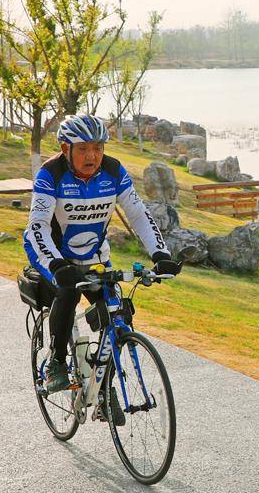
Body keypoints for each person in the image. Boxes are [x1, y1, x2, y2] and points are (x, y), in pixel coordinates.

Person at [24, 113, 181, 394]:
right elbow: (38, 227)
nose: (91, 156)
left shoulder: (113, 171)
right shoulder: (51, 175)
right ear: (65, 149)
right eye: (83, 149)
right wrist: (57, 265)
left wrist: (160, 254)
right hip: (50, 252)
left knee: (117, 310)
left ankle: (104, 384)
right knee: (68, 292)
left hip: (94, 255)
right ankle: (57, 362)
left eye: (98, 148)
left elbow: (139, 215)